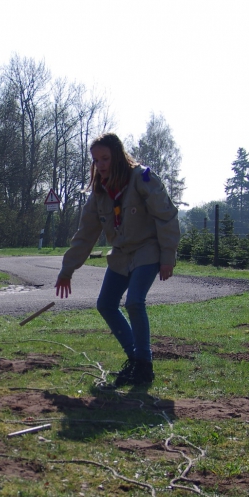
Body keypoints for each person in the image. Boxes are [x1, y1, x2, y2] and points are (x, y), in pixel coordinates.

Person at [54, 133, 181, 387]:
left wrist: (168, 256)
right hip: (121, 254)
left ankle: (144, 366)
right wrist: (67, 270)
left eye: (105, 158)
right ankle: (134, 360)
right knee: (106, 304)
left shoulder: (142, 178)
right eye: (95, 160)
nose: (100, 165)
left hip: (147, 249)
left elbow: (166, 216)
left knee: (134, 301)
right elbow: (85, 234)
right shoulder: (99, 193)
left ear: (118, 157)